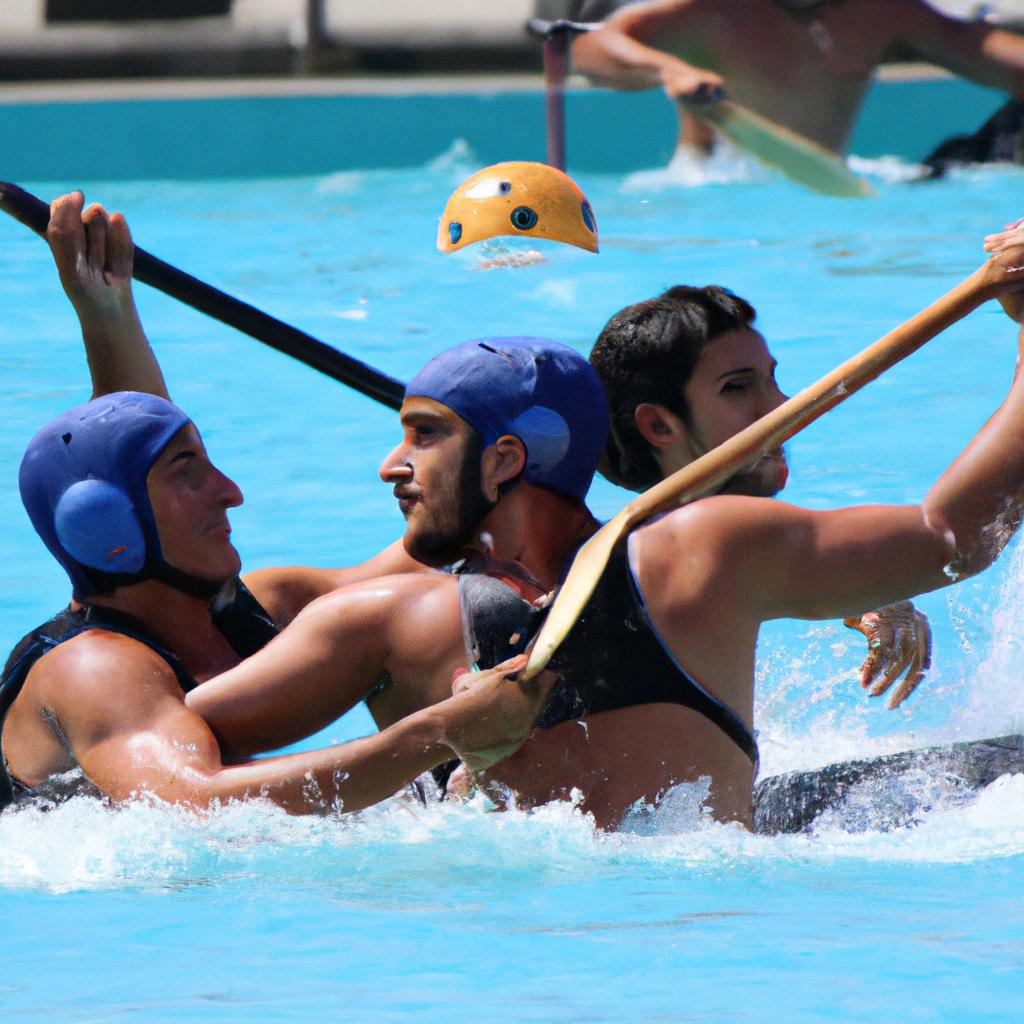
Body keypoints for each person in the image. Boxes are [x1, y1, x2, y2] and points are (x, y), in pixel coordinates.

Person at [35, 193, 1024, 829]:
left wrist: (833, 584)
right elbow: (156, 790)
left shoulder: (377, 618)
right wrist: (427, 741)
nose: (389, 464)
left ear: (506, 458)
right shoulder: (368, 613)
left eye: (422, 435)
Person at [0, 389, 554, 812]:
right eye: (187, 473)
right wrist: (442, 733)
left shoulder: (247, 614)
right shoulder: (92, 668)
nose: (230, 491)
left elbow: (436, 554)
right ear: (106, 524)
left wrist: (500, 469)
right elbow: (196, 810)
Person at [588, 284, 931, 704]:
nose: (782, 405)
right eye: (736, 387)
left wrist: (853, 583)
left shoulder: (618, 550)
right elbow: (953, 532)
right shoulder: (710, 538)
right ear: (660, 427)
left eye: (772, 379)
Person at [570, 0, 1024, 161]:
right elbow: (590, 52)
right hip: (714, 189)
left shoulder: (882, 12)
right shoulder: (715, 9)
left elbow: (981, 49)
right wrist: (668, 68)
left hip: (832, 191)